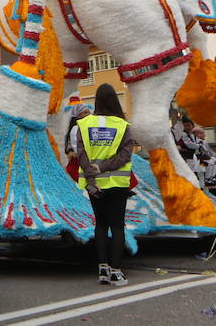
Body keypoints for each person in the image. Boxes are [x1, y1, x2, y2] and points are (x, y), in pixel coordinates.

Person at [72, 84, 137, 287]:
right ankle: (116, 273)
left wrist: (92, 174)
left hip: (94, 184)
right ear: (115, 100)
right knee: (117, 226)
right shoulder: (122, 125)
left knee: (100, 224)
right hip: (117, 182)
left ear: (97, 101)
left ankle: (102, 269)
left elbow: (80, 154)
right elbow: (125, 155)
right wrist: (104, 167)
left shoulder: (84, 124)